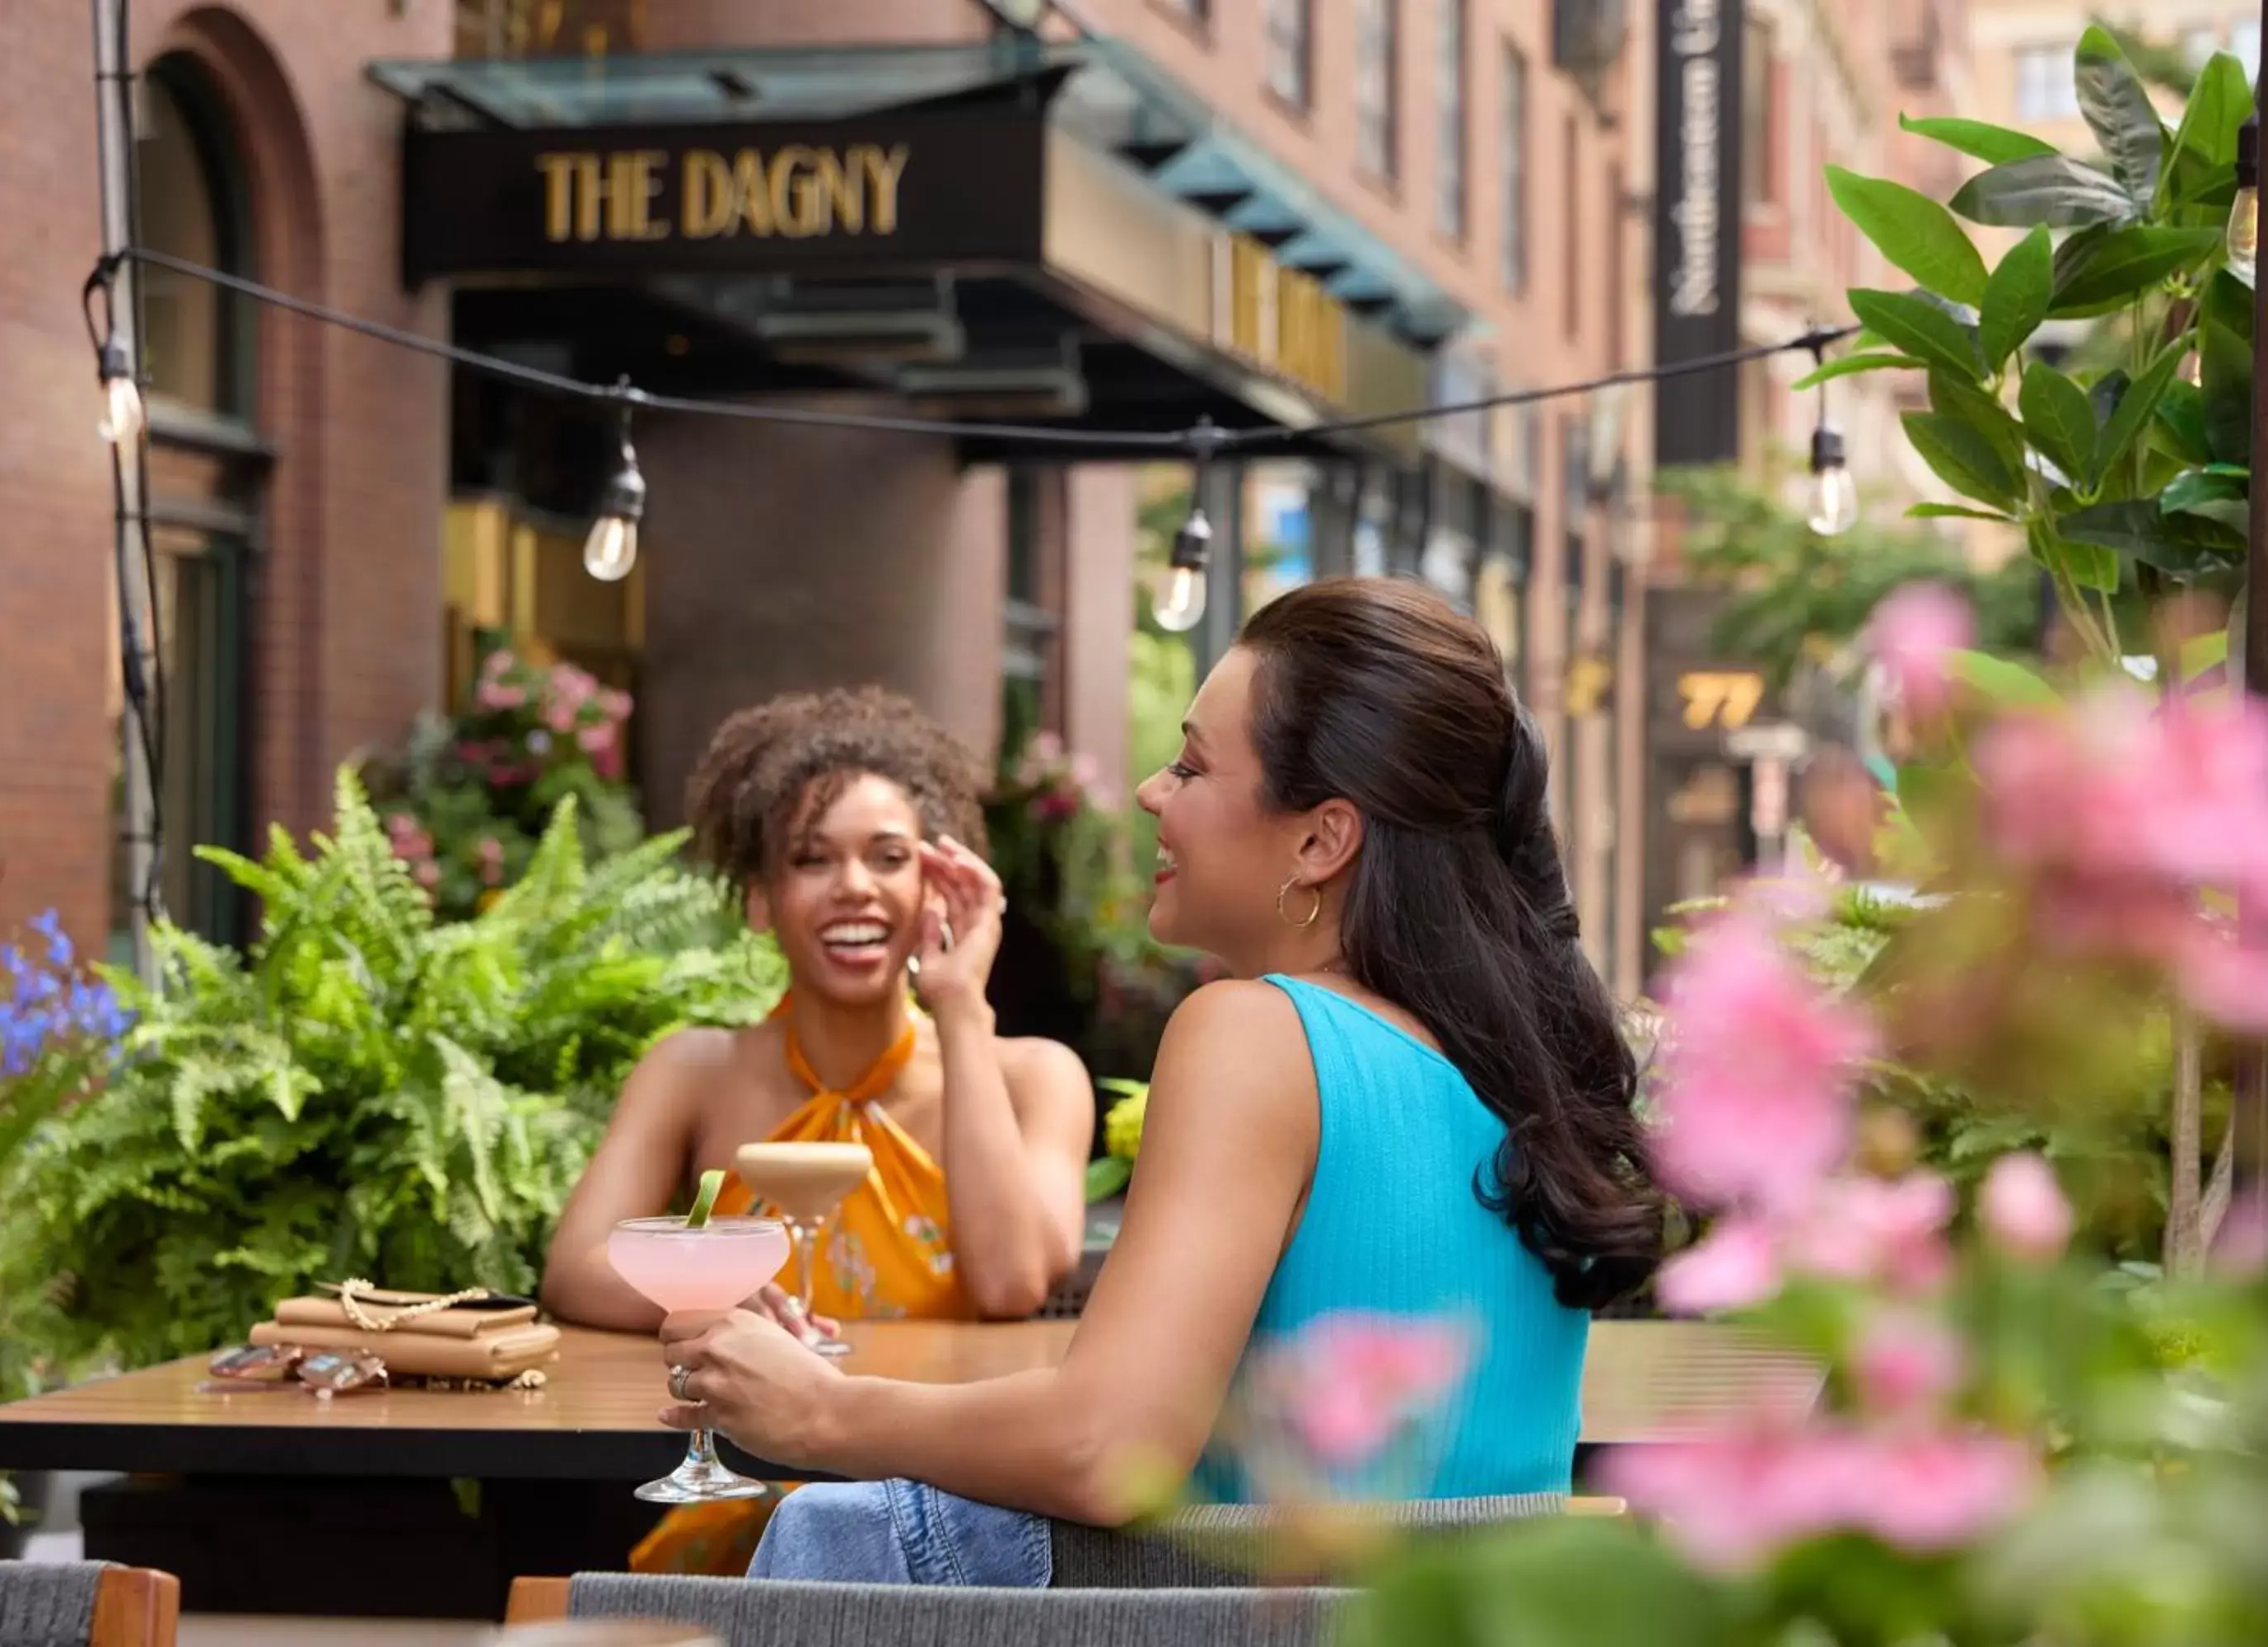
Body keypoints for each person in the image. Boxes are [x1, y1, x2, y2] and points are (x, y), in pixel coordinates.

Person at [655, 578, 1662, 1586]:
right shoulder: (1506, 1066)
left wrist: (819, 1408)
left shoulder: (1259, 1036)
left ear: (1322, 839)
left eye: (1190, 763)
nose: (1149, 790)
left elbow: (1108, 1450)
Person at [539, 685, 1096, 1572]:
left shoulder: (1035, 1076)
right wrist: (701, 1293)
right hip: (742, 1485)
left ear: (934, 887)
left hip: (950, 1505)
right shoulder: (694, 1070)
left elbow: (1011, 1280)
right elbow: (575, 1267)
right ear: (759, 899)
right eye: (811, 859)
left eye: (888, 857)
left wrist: (958, 1005)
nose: (854, 888)